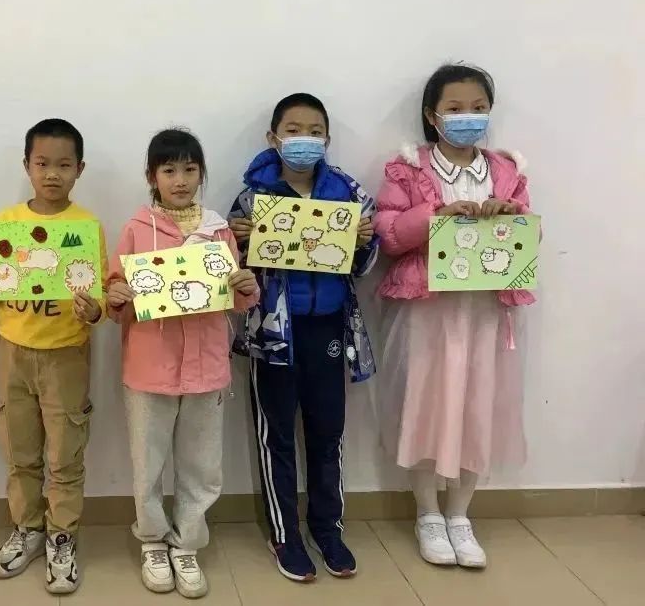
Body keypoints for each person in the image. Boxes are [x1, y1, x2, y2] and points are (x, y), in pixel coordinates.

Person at [374, 62, 534, 569]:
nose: (469, 116)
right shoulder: (409, 168)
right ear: (432, 115)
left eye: (478, 108)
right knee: (424, 405)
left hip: (485, 311)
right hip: (429, 311)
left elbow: (527, 234)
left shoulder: (506, 171)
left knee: (478, 406)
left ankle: (460, 515)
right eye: (456, 108)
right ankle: (427, 513)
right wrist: (434, 216)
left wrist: (509, 216)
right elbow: (388, 233)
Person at [228, 94, 378, 582]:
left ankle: (327, 528)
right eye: (293, 130)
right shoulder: (252, 198)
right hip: (274, 334)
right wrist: (238, 241)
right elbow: (229, 269)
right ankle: (284, 533)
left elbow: (364, 265)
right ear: (273, 138)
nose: (304, 140)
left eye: (315, 131)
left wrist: (364, 242)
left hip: (329, 327)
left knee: (327, 432)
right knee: (276, 437)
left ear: (327, 139)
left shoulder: (348, 192)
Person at [107, 129, 259, 599]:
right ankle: (152, 540)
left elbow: (234, 297)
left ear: (201, 173)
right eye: (169, 170)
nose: (180, 179)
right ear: (151, 176)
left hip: (206, 369)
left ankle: (187, 542)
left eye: (189, 169)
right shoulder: (137, 229)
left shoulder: (218, 230)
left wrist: (247, 289)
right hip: (149, 368)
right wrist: (118, 295)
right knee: (147, 462)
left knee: (202, 465)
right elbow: (116, 295)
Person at [0, 119, 108, 595]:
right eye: (42, 163)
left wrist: (95, 310)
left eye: (63, 165)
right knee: (19, 450)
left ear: (79, 169)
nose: (52, 174)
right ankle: (27, 528)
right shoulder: (7, 223)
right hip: (13, 351)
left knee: (65, 453)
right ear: (26, 166)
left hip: (66, 354)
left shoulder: (86, 227)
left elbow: (98, 293)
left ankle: (62, 536)